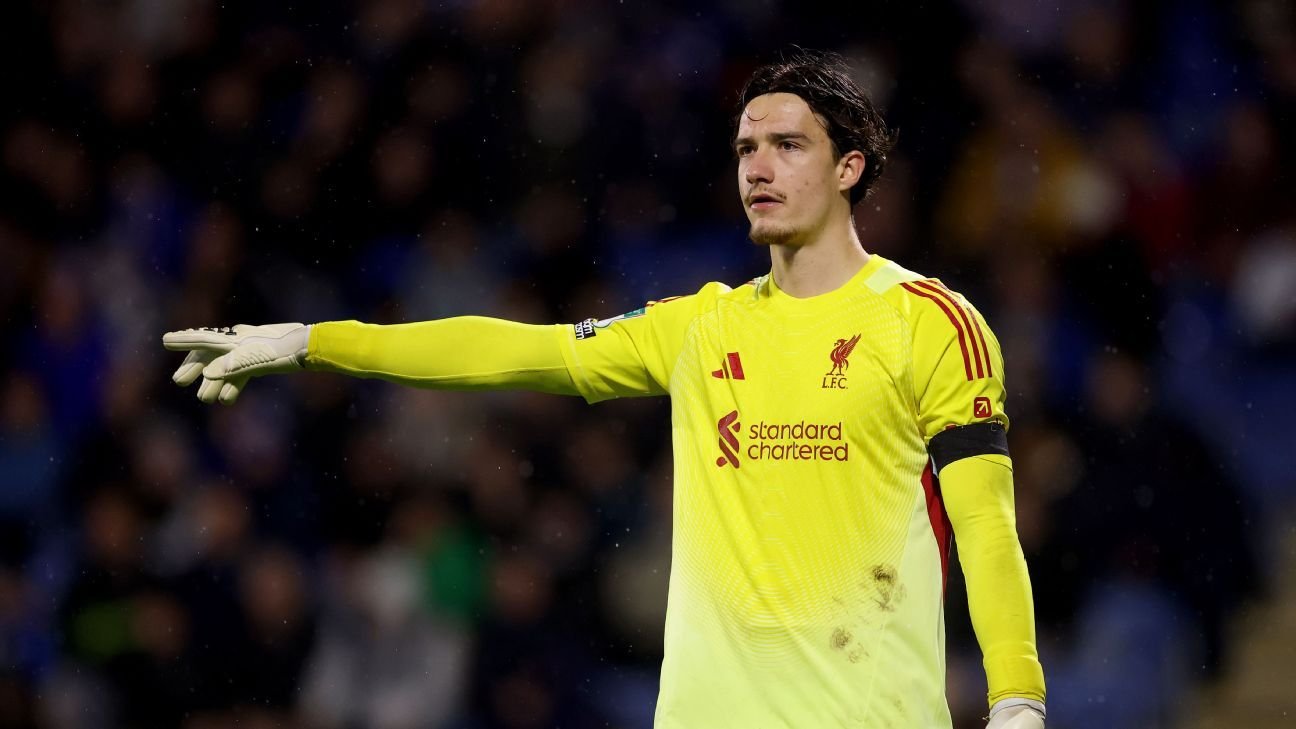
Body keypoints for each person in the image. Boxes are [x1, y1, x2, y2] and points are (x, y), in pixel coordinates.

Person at [165, 49, 1047, 729]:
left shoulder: (930, 321)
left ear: (849, 167)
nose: (758, 168)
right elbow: (518, 351)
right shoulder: (701, 326)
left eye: (788, 146)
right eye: (746, 148)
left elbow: (985, 523)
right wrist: (313, 342)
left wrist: (1016, 695)